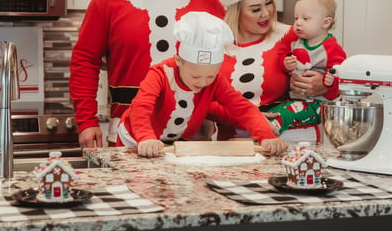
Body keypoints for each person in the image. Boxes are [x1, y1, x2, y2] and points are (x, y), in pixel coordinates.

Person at [69, 0, 225, 148]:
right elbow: (85, 61)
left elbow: (230, 59)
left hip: (194, 140)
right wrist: (86, 121)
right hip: (127, 135)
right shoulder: (108, 0)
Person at [116, 11, 288, 157]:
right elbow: (141, 106)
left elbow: (241, 107)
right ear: (178, 61)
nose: (203, 83)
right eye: (196, 76)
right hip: (134, 139)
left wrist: (266, 136)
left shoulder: (216, 81)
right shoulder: (160, 74)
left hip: (173, 145)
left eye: (210, 76)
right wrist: (145, 137)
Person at [210, 0, 327, 143]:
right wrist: (248, 117)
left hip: (292, 141)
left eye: (268, 3)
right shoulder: (216, 46)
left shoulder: (291, 35)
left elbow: (332, 62)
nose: (265, 13)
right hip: (234, 146)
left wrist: (323, 84)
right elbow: (203, 100)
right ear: (235, 13)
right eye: (255, 9)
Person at [267, 0, 346, 135]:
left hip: (317, 104)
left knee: (282, 117)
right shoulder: (297, 42)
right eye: (296, 18)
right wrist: (286, 63)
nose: (298, 23)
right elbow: (286, 60)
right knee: (273, 111)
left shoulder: (331, 47)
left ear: (325, 22)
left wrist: (330, 80)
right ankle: (259, 133)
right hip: (296, 100)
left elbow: (341, 73)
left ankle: (264, 136)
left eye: (305, 19)